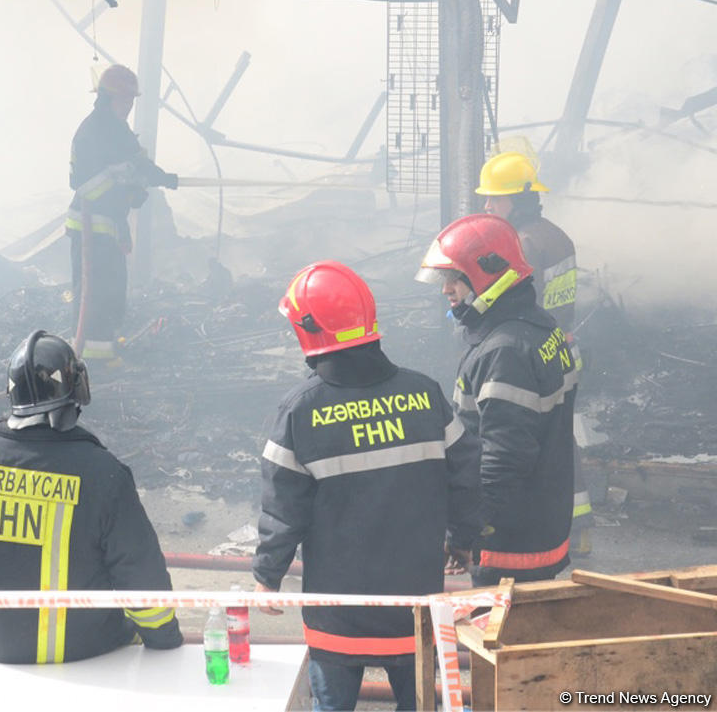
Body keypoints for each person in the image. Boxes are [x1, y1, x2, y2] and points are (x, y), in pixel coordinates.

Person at [252, 261, 481, 712]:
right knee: (418, 703)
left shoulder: (301, 411)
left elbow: (283, 508)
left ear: (309, 331)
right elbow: (466, 472)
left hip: (339, 612)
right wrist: (463, 539)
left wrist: (267, 577)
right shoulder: (424, 393)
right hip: (412, 607)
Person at [0, 329, 183, 663]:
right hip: (90, 658)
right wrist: (165, 641)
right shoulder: (102, 474)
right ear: (76, 387)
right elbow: (140, 578)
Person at [416, 214, 579, 586]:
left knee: (499, 639)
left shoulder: (504, 352)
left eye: (455, 277)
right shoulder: (538, 326)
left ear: (487, 274)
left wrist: (464, 535)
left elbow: (502, 458)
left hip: (511, 541)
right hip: (541, 522)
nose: (447, 289)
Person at [477, 150, 594, 555]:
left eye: (496, 198)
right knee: (562, 436)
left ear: (519, 198)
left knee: (531, 439)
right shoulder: (558, 235)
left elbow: (507, 297)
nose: (488, 205)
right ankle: (581, 528)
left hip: (532, 354)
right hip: (562, 344)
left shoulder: (522, 242)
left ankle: (543, 526)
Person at [66, 63, 179, 363]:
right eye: (125, 100)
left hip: (110, 227)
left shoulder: (118, 129)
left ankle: (105, 348)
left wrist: (159, 177)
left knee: (114, 292)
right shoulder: (91, 132)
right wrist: (124, 186)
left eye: (132, 101)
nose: (129, 106)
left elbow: (135, 161)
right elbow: (85, 186)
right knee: (94, 293)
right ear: (107, 98)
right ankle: (91, 358)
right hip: (89, 227)